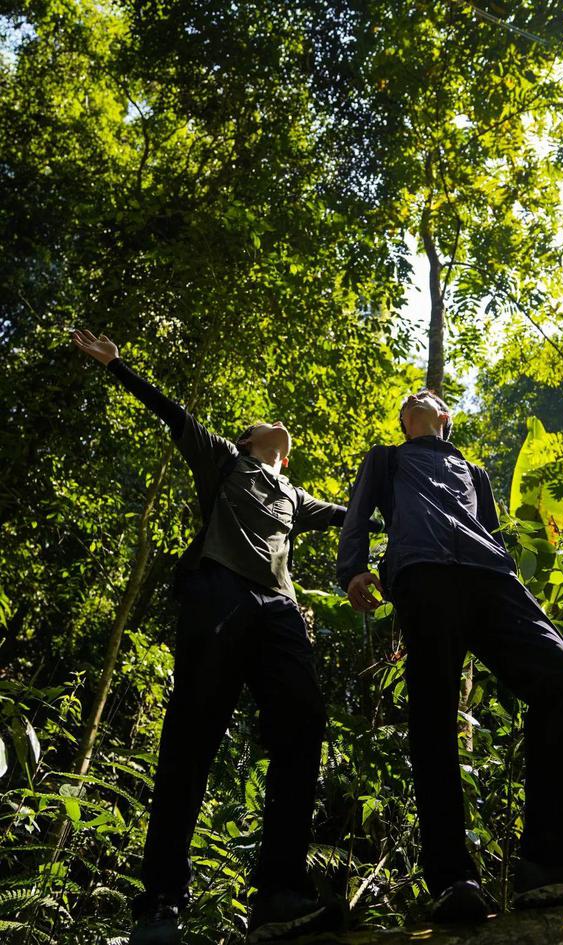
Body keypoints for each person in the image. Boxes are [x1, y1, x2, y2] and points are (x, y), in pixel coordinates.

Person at [73, 329, 364, 945]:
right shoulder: (226, 460)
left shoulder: (293, 492)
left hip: (280, 611)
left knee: (303, 724)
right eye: (267, 426)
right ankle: (160, 904)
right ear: (251, 441)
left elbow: (351, 515)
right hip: (219, 594)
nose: (279, 431)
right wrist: (116, 366)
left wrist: (401, 492)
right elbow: (174, 414)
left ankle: (279, 894)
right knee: (193, 735)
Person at [336, 388, 563, 922]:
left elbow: (489, 528)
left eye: (428, 396)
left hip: (491, 577)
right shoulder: (387, 458)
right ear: (405, 421)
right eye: (410, 400)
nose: (418, 398)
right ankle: (452, 879)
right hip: (422, 574)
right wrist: (353, 568)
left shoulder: (473, 470)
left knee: (562, 679)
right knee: (433, 718)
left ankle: (549, 858)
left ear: (445, 417)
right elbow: (359, 511)